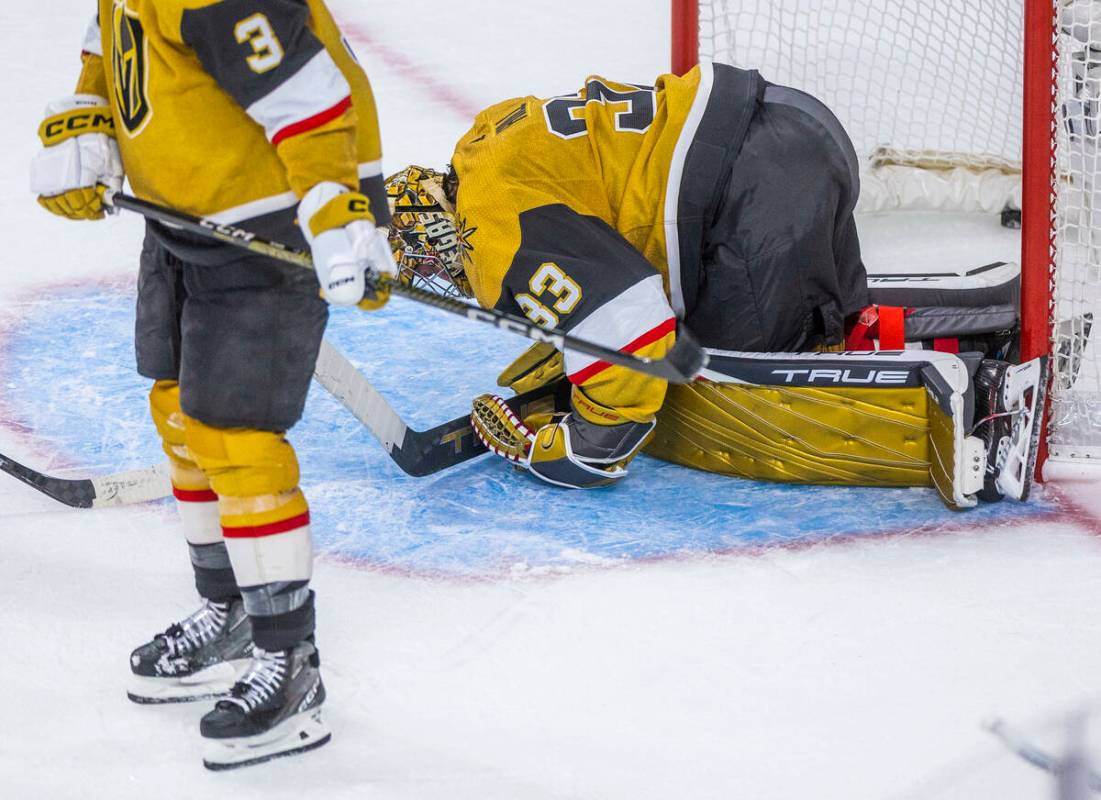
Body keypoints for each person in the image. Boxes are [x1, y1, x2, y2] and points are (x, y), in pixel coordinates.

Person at [382, 62, 1046, 511]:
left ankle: (983, 411)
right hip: (790, 134)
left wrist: (578, 447)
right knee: (822, 321)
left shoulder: (490, 231)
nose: (444, 274)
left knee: (730, 373)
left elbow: (630, 327)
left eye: (426, 260)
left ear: (433, 230)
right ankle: (997, 313)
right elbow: (615, 236)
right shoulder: (482, 145)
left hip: (750, 193)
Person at [30, 1, 393, 769]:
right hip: (183, 216)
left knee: (236, 439)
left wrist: (337, 207)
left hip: (272, 224)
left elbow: (307, 91)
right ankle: (227, 612)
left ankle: (291, 666)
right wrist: (91, 114)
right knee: (180, 414)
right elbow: (110, 41)